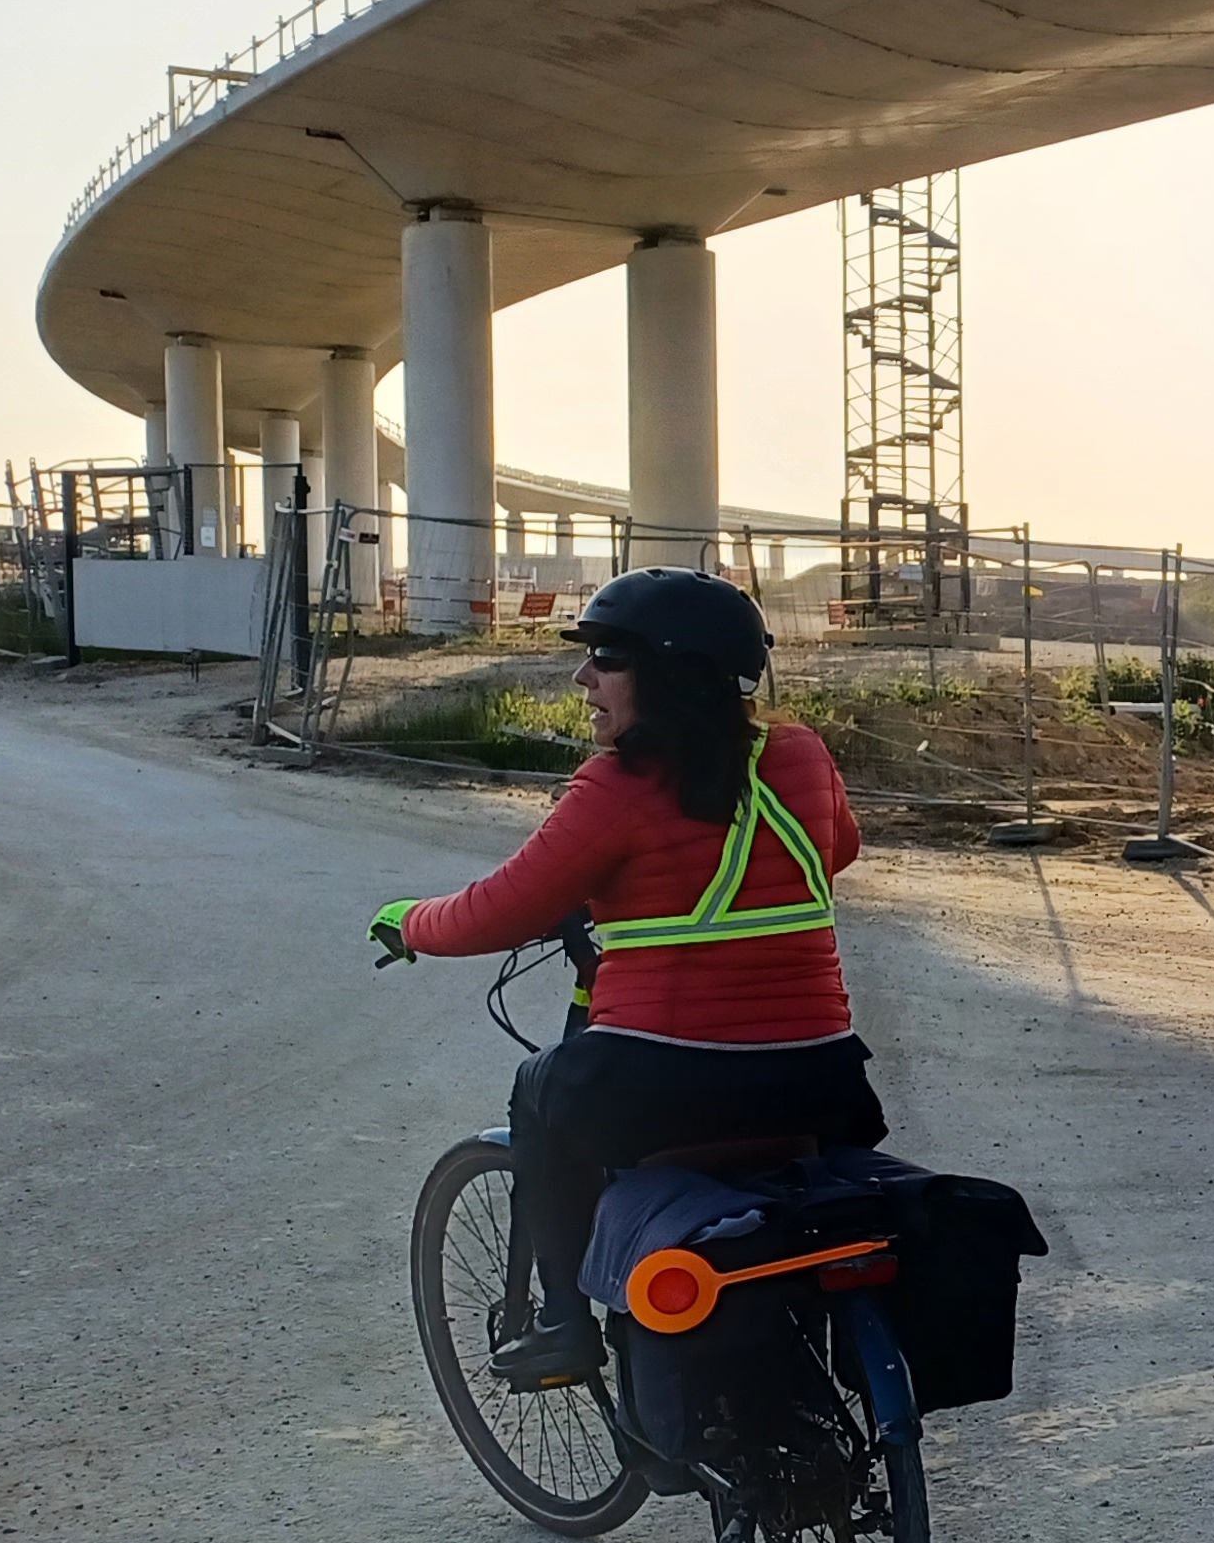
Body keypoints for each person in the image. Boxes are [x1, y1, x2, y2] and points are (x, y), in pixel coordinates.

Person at [367, 568, 884, 1385]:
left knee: (542, 1090)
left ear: (669, 673)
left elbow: (497, 911)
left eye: (605, 658)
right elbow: (837, 849)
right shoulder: (800, 753)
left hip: (662, 1084)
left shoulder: (617, 787)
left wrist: (410, 922)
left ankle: (567, 1325)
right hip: (822, 1078)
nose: (584, 679)